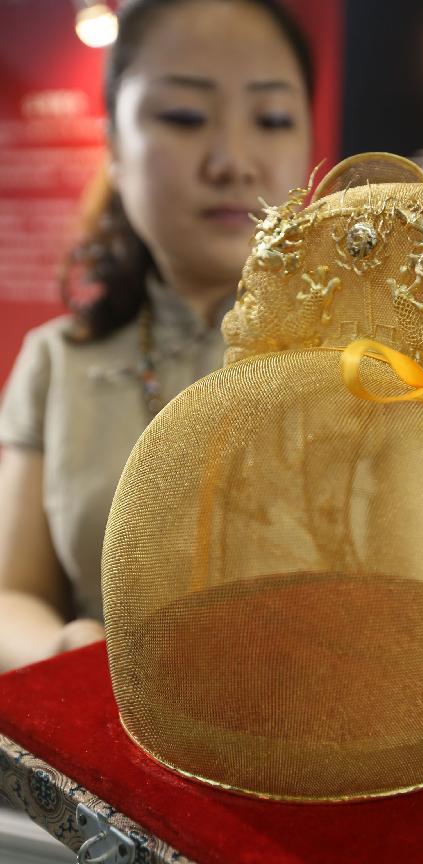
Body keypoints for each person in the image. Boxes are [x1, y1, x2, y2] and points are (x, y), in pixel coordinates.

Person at [0, 0, 313, 672]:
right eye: (184, 117)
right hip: (100, 742)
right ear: (113, 146)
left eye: (273, 119)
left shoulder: (363, 364)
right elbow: (11, 594)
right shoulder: (58, 361)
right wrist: (67, 650)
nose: (234, 161)